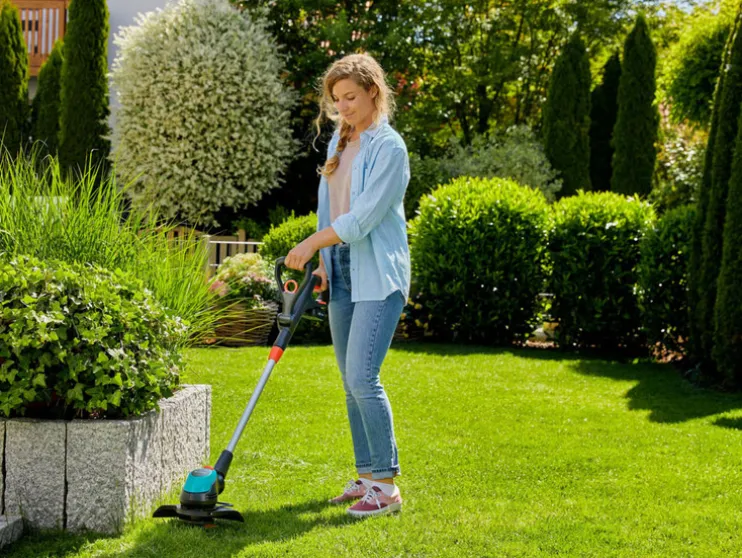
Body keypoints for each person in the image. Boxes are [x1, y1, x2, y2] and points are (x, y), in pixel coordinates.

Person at [284, 53, 411, 518]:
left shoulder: (389, 148)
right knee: (350, 383)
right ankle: (367, 476)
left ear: (374, 92)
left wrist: (311, 243)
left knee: (363, 378)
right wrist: (322, 261)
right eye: (337, 99)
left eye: (351, 97)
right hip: (339, 267)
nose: (342, 107)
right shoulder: (341, 139)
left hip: (376, 271)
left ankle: (387, 488)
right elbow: (330, 209)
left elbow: (361, 220)